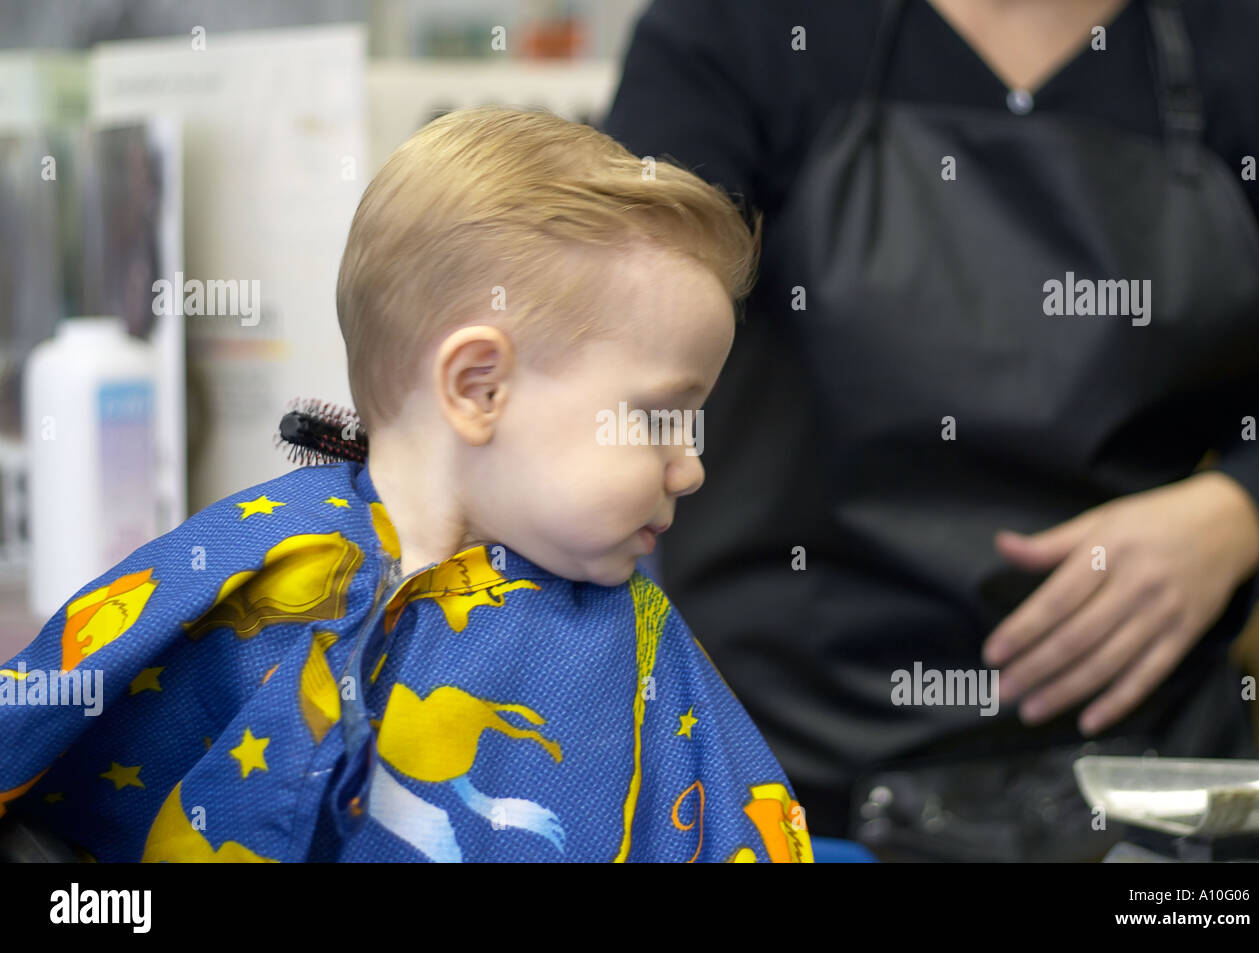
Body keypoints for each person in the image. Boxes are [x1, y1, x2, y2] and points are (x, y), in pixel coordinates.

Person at [0, 106, 814, 864]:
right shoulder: (255, 558)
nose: (693, 464)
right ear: (478, 387)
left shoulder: (637, 644)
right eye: (660, 418)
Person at [602, 0, 1259, 860]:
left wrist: (1246, 510)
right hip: (782, 778)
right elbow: (610, 344)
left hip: (1144, 778)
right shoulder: (745, 27)